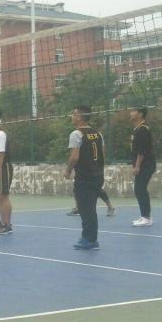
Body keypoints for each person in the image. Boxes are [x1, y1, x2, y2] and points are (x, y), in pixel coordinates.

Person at [64, 105, 106, 251]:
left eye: (74, 114)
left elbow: (74, 157)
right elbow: (103, 154)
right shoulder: (98, 134)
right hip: (98, 175)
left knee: (85, 209)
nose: (72, 116)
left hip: (84, 176)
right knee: (90, 208)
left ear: (79, 117)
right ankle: (88, 237)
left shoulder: (76, 134)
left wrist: (68, 170)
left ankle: (90, 239)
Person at [130, 107, 157, 227]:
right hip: (142, 165)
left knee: (140, 189)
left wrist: (137, 166)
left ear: (140, 114)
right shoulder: (137, 129)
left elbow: (141, 151)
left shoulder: (143, 130)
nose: (131, 113)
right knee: (139, 189)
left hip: (146, 165)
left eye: (133, 111)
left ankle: (146, 218)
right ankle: (145, 216)